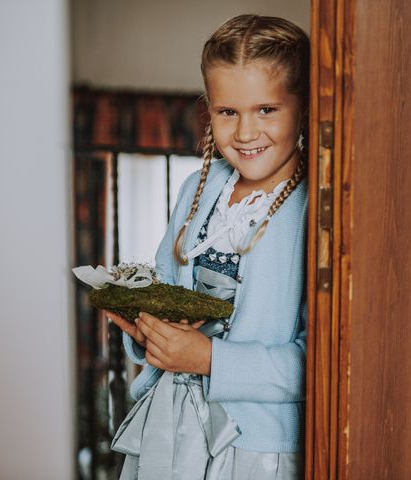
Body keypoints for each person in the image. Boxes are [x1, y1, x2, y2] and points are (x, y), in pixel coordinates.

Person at [104, 14, 310, 480]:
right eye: (227, 112)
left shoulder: (314, 209)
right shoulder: (196, 188)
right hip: (168, 424)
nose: (244, 132)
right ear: (209, 109)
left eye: (266, 110)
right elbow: (162, 285)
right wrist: (146, 333)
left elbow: (320, 361)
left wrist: (209, 359)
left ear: (302, 107)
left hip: (255, 446)